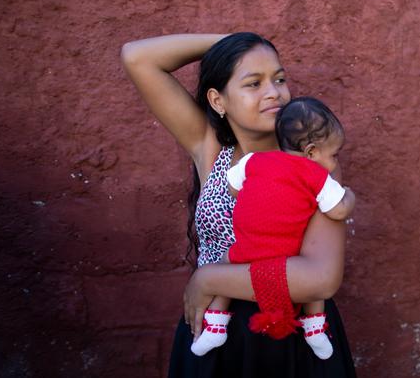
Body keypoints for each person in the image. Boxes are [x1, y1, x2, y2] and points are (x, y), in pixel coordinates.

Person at [121, 32, 356, 377]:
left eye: (279, 78)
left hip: (291, 341)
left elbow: (319, 279)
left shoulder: (312, 159)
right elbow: (137, 56)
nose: (274, 92)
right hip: (214, 340)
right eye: (253, 83)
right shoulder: (210, 149)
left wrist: (210, 279)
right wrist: (237, 41)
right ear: (218, 101)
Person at [190, 97, 356, 360]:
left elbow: (233, 187)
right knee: (312, 293)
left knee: (224, 267)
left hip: (246, 248)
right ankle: (314, 329)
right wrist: (349, 196)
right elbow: (337, 210)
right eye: (334, 154)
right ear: (311, 152)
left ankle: (216, 325)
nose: (335, 162)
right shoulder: (317, 176)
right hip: (286, 258)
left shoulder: (256, 160)